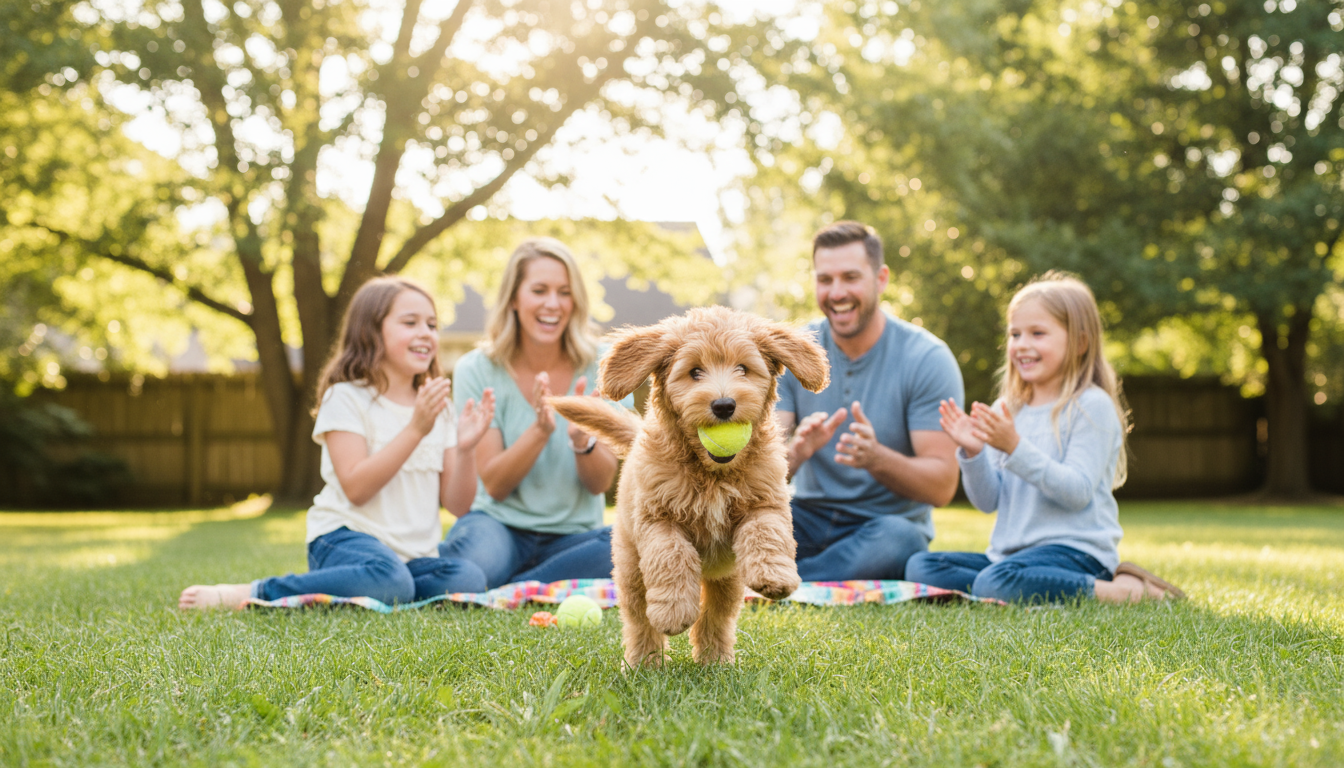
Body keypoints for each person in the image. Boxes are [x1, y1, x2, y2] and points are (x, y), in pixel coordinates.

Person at [179, 276, 494, 609]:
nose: (426, 333)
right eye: (410, 322)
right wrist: (415, 429)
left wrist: (466, 448)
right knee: (391, 580)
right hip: (343, 539)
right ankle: (257, 592)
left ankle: (382, 588)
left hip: (411, 558)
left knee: (467, 579)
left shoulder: (436, 405)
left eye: (432, 325)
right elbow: (357, 487)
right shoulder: (346, 397)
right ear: (371, 330)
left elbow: (457, 505)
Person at [905, 272, 1185, 603]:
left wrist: (1014, 447)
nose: (1022, 344)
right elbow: (988, 501)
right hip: (1011, 558)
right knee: (921, 567)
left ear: (1080, 343)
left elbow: (1077, 492)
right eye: (1015, 334)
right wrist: (973, 452)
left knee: (995, 581)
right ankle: (1009, 586)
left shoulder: (1091, 406)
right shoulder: (1007, 409)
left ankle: (1124, 592)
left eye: (1038, 334)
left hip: (1075, 555)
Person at [776, 221, 964, 581]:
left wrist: (878, 460)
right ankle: (800, 577)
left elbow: (942, 486)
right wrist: (797, 451)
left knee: (899, 542)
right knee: (748, 524)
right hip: (806, 516)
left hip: (883, 525)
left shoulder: (927, 358)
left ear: (881, 279)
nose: (836, 292)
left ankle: (791, 580)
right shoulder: (794, 352)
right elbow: (753, 469)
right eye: (825, 280)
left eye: (850, 277)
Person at [441, 238, 631, 588]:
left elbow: (601, 483)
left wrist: (581, 442)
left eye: (564, 292)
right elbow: (495, 486)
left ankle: (517, 584)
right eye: (539, 290)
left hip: (576, 537)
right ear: (514, 298)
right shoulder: (477, 369)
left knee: (632, 550)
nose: (553, 304)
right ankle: (537, 582)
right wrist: (540, 430)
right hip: (498, 527)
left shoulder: (607, 366)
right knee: (466, 572)